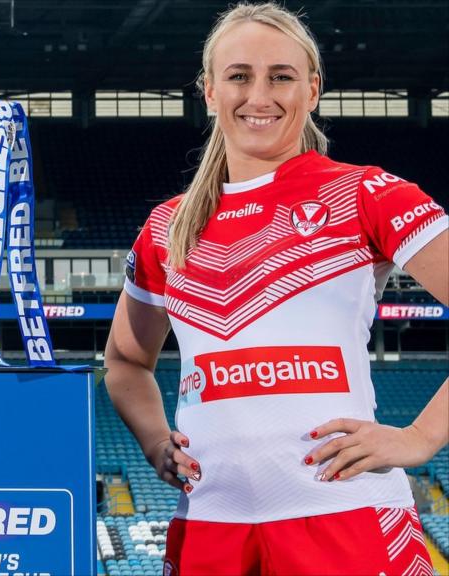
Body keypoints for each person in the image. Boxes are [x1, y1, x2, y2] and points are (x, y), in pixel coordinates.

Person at [104, 3, 447, 574]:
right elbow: (124, 360)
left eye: (281, 76)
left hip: (346, 517)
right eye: (239, 75)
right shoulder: (167, 227)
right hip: (208, 528)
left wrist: (419, 437)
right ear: (209, 91)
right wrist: (153, 440)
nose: (259, 96)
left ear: (312, 89)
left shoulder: (368, 194)